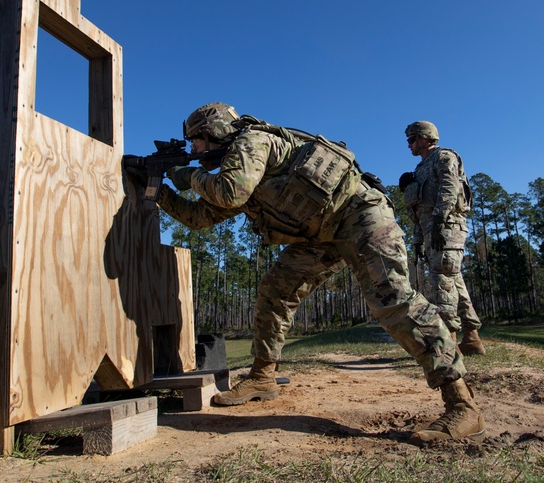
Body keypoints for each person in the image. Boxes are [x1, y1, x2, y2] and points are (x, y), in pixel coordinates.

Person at [123, 103, 485, 443]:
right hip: (320, 235)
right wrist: (157, 188)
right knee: (275, 290)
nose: (195, 147)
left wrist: (184, 173)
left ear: (216, 130)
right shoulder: (234, 166)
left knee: (391, 300)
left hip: (359, 216)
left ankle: (462, 406)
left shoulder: (253, 141)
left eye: (197, 139)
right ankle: (263, 377)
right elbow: (200, 218)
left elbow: (231, 192)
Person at [400, 121, 486, 356]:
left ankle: (449, 341)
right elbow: (419, 209)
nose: (409, 145)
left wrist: (439, 220)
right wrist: (418, 239)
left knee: (442, 283)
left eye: (412, 139)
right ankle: (472, 338)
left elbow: (450, 187)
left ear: (426, 137)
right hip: (432, 231)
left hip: (447, 228)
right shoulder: (420, 169)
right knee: (453, 281)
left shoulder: (444, 157)